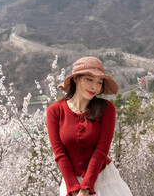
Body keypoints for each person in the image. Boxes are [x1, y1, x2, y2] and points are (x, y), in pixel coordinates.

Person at [47, 57, 133, 196]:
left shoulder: (106, 109)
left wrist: (86, 188)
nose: (95, 87)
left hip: (104, 180)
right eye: (89, 79)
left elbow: (101, 150)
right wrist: (74, 189)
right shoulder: (55, 110)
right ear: (76, 78)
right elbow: (59, 152)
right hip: (70, 183)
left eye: (100, 82)